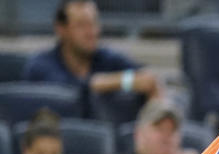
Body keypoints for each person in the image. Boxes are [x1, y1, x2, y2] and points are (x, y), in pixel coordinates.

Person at [22, 1, 159, 120]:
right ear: (61, 29)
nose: (92, 32)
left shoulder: (106, 58)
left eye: (94, 23)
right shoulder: (40, 65)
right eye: (82, 25)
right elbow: (72, 91)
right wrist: (100, 83)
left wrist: (121, 81)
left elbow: (147, 79)